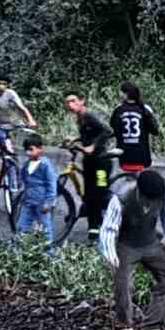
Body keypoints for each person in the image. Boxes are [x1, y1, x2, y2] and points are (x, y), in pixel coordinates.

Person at [99, 170, 165, 330]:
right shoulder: (121, 198)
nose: (152, 202)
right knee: (123, 284)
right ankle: (124, 326)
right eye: (149, 198)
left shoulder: (160, 193)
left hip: (151, 242)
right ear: (140, 191)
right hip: (127, 245)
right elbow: (108, 229)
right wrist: (110, 254)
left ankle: (152, 325)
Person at [64, 92, 118, 245]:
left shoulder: (88, 115)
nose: (70, 105)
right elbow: (90, 134)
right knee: (89, 196)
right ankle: (93, 232)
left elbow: (107, 131)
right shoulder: (80, 118)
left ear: (82, 101)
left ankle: (121, 216)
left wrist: (92, 147)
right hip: (89, 162)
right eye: (67, 102)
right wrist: (75, 140)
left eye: (73, 101)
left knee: (101, 193)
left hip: (101, 162)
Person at [111, 81, 161, 174]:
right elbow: (155, 131)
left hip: (124, 157)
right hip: (142, 158)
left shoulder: (118, 110)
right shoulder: (145, 109)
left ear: (125, 94)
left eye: (121, 92)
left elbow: (114, 129)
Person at [16, 135, 58, 243]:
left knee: (45, 228)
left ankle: (48, 252)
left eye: (31, 149)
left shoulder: (45, 165)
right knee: (21, 225)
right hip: (28, 201)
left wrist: (49, 202)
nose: (28, 153)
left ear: (40, 148)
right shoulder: (26, 165)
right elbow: (24, 179)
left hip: (41, 201)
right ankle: (17, 248)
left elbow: (51, 184)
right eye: (26, 150)